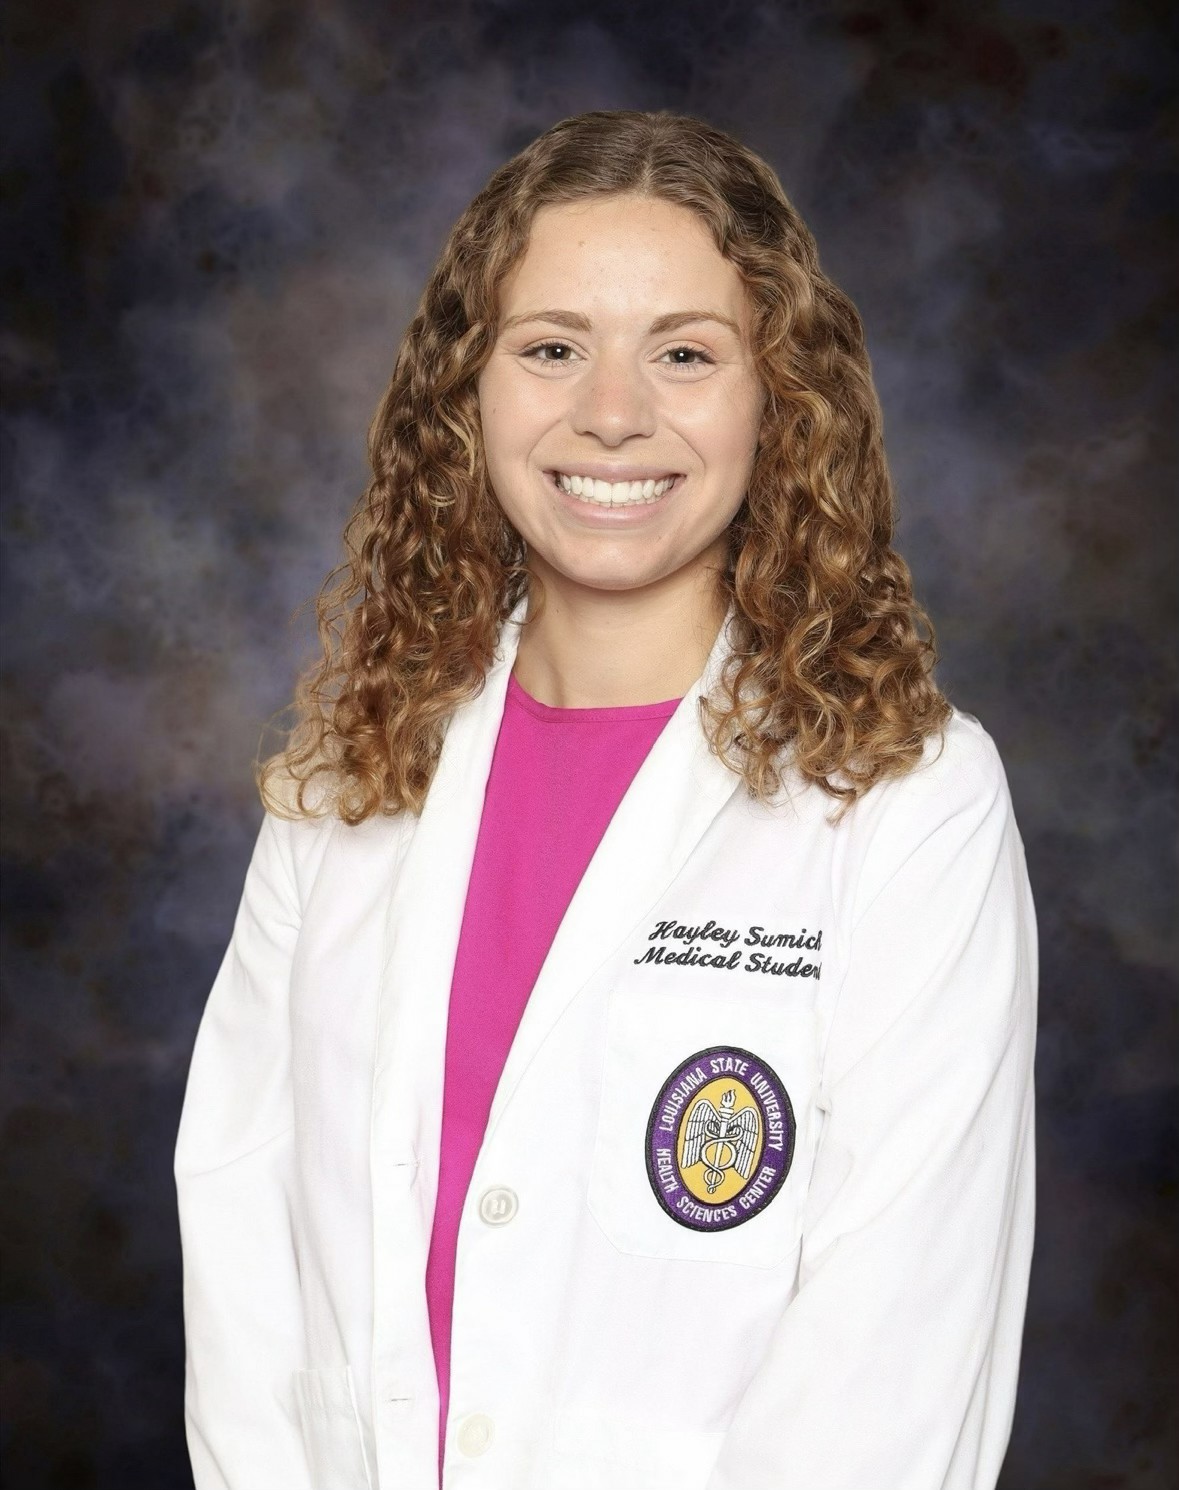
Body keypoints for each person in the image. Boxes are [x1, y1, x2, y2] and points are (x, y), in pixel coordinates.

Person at [174, 109, 1037, 1490]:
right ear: (469, 390)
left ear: (780, 400)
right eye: (552, 346)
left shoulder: (904, 796)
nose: (614, 412)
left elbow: (892, 1359)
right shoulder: (346, 779)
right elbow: (240, 1245)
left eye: (686, 353)